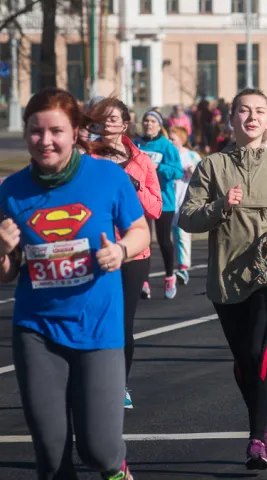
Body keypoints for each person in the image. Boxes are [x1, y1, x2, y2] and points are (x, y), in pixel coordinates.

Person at [1, 87, 150, 480]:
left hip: (98, 326)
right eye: (36, 131)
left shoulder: (107, 177)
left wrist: (120, 251)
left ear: (75, 132)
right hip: (37, 329)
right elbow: (7, 271)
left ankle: (116, 469)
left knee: (100, 451)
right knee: (51, 457)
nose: (45, 141)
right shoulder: (11, 191)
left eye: (56, 131)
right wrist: (2, 250)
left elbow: (140, 231)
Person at [179, 88, 267, 469]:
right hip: (226, 276)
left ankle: (257, 440)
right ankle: (263, 420)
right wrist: (222, 206)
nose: (252, 117)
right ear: (232, 119)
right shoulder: (212, 166)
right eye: (244, 111)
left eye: (259, 112)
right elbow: (188, 217)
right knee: (243, 360)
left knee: (258, 352)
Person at [87, 97, 163, 410]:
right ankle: (90, 381)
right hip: (94, 251)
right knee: (92, 322)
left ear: (125, 125)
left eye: (112, 119)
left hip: (133, 253)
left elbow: (156, 208)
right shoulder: (84, 159)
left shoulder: (142, 161)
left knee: (122, 325)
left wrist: (134, 184)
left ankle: (120, 385)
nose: (106, 125)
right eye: (100, 120)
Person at [134, 110, 184, 299]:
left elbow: (177, 172)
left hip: (163, 200)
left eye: (152, 121)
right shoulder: (136, 144)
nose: (148, 124)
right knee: (142, 242)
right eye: (145, 120)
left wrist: (158, 167)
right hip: (140, 200)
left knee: (164, 241)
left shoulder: (166, 146)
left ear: (159, 124)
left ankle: (170, 276)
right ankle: (144, 281)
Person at [167, 126, 203, 285]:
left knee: (182, 234)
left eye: (173, 138)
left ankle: (183, 268)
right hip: (169, 198)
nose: (170, 141)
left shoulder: (191, 155)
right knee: (171, 236)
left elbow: (204, 174)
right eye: (169, 138)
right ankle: (174, 267)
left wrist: (193, 170)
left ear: (181, 139)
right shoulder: (168, 155)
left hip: (186, 198)